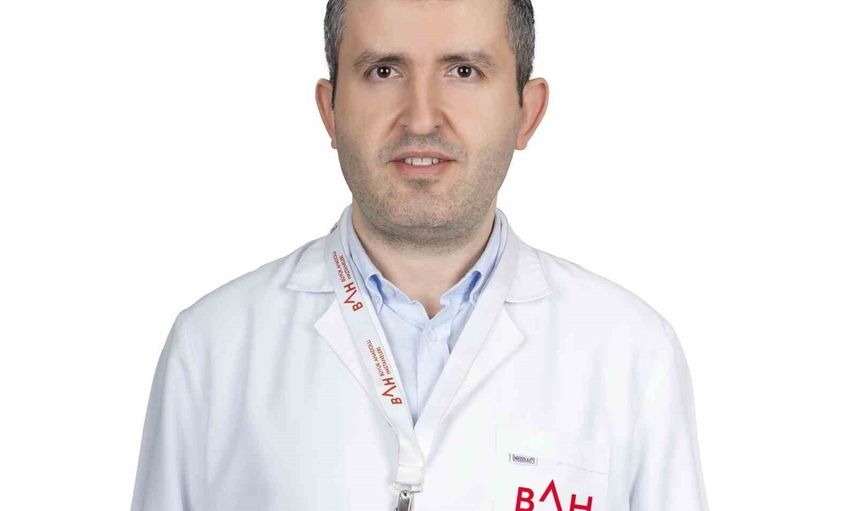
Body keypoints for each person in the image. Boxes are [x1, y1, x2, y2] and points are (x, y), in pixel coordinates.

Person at [130, 0, 710, 509]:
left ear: (526, 112)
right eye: (384, 71)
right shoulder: (213, 349)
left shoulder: (633, 354)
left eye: (464, 70)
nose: (422, 117)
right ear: (330, 110)